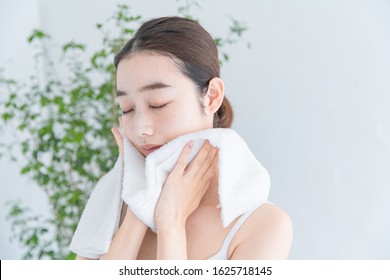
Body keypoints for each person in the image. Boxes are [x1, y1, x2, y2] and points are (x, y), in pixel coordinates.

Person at [76, 16, 292, 260]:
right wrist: (141, 204)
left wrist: (172, 223)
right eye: (127, 108)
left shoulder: (262, 226)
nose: (140, 129)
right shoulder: (113, 197)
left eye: (158, 104)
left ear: (211, 97)